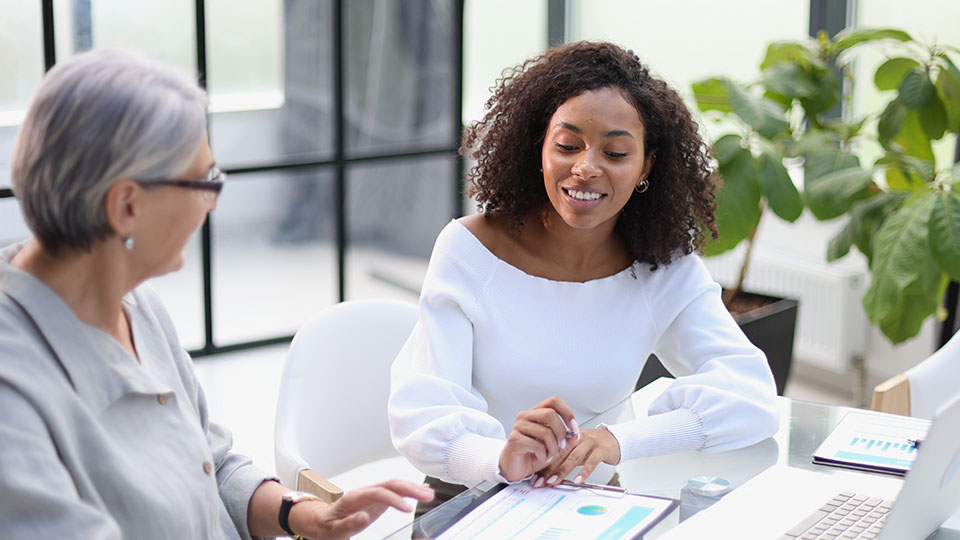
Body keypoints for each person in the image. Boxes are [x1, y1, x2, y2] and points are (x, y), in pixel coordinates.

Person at [0, 49, 432, 539]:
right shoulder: (14, 394)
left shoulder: (135, 303)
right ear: (125, 205)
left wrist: (304, 514)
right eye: (203, 182)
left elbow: (214, 465)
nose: (212, 201)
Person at [387, 41, 780, 512]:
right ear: (540, 149)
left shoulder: (660, 268)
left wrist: (618, 440)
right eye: (568, 146)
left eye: (615, 153)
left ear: (644, 168)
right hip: (468, 499)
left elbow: (752, 394)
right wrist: (501, 458)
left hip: (588, 504)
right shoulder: (471, 251)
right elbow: (421, 413)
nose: (586, 168)